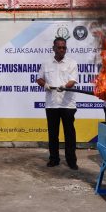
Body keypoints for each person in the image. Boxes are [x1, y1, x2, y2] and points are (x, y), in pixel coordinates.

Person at [35, 37, 79, 170]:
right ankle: (54, 159)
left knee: (69, 134)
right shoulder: (46, 63)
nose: (61, 50)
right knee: (53, 134)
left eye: (64, 47)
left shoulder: (72, 63)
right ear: (54, 48)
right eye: (59, 47)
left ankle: (71, 160)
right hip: (52, 104)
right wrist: (46, 84)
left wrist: (65, 86)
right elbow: (39, 78)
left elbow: (72, 81)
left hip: (67, 104)